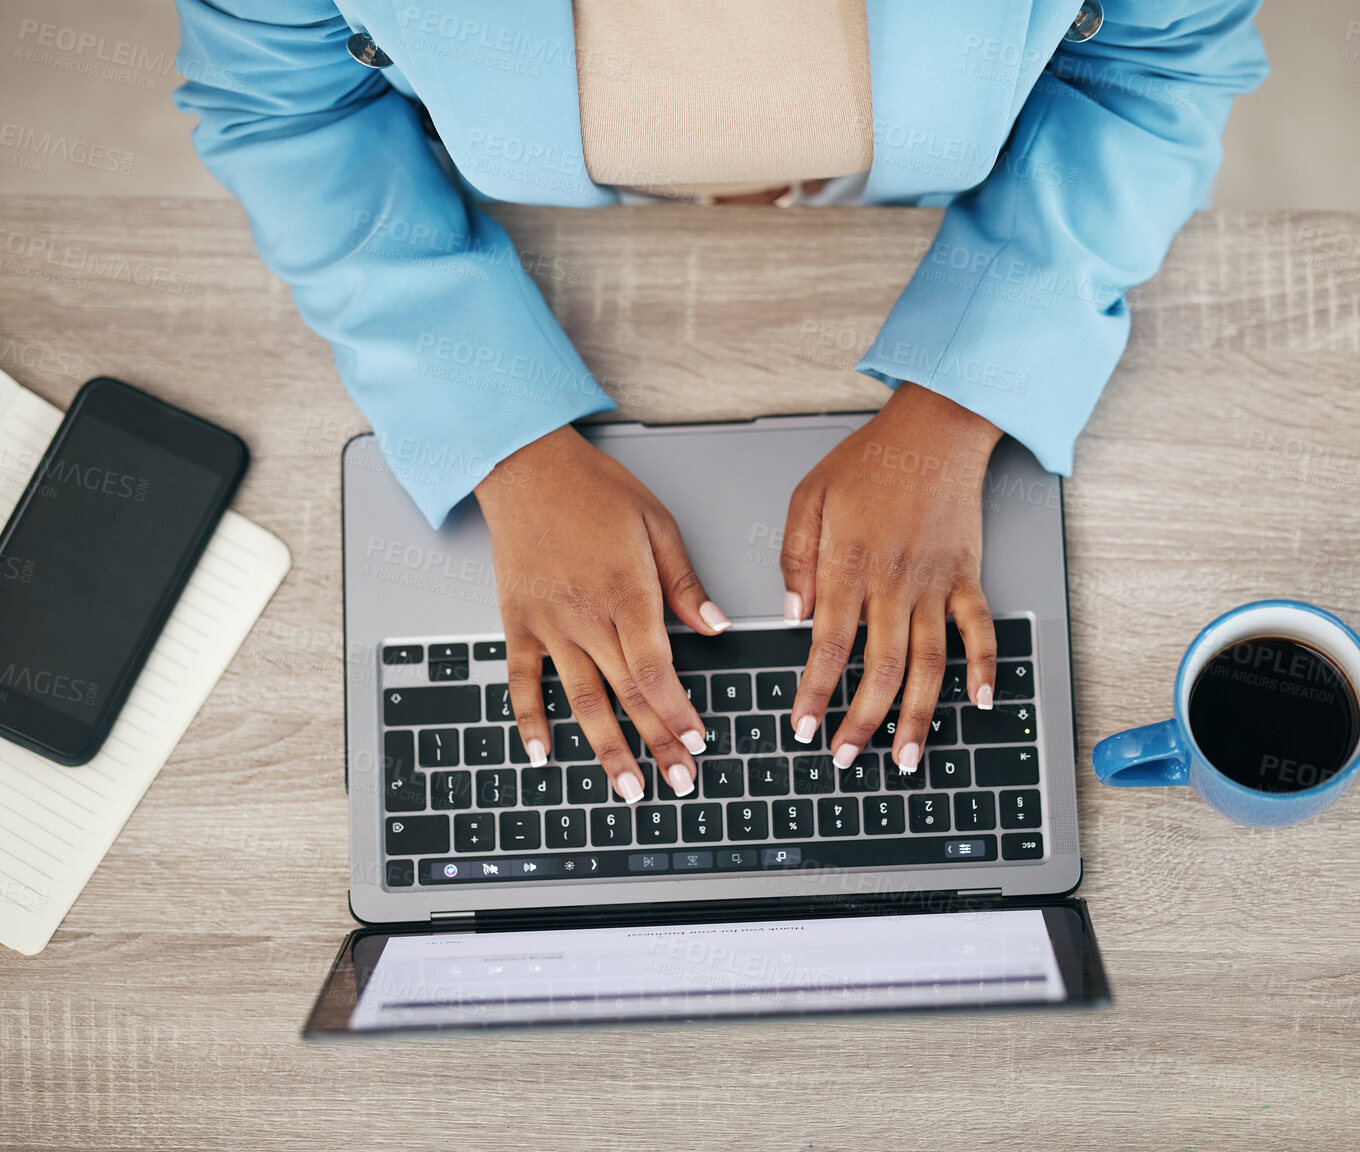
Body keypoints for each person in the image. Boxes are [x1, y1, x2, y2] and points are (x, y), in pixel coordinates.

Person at [173, 0, 1268, 805]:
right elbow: (285, 102)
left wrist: (957, 403)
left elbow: (1152, 62)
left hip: (912, 219)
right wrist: (499, 435)